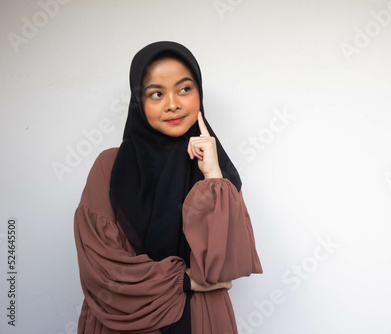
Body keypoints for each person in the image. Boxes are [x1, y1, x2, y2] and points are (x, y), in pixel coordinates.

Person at [74, 41, 262, 334]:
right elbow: (101, 272)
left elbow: (222, 269)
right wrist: (184, 281)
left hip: (201, 320)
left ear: (199, 93)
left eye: (184, 89)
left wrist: (213, 175)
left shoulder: (216, 174)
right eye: (156, 94)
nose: (173, 103)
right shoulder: (109, 167)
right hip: (126, 323)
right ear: (139, 101)